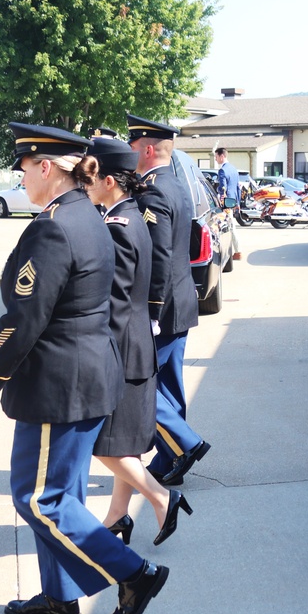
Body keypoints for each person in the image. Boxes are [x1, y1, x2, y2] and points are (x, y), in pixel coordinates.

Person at [0, 123, 168, 614]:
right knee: (63, 496)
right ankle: (60, 597)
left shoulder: (54, 225)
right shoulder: (87, 214)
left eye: (23, 168)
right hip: (87, 375)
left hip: (59, 385)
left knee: (40, 498)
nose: (20, 178)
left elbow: (25, 316)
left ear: (45, 167)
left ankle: (134, 574)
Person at [86, 136, 192, 547]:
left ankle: (161, 497)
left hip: (122, 351)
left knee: (104, 444)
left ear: (110, 180)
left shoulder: (117, 227)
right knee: (123, 442)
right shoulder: (130, 215)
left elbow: (112, 299)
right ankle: (117, 518)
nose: (86, 183)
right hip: (135, 347)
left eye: (91, 176)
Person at [126, 114, 211, 484]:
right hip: (181, 299)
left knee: (141, 384)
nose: (129, 153)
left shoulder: (154, 190)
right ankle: (168, 462)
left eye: (132, 146)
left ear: (146, 148)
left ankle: (186, 444)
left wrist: (151, 310)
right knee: (169, 386)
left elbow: (157, 255)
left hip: (163, 305)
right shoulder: (176, 184)